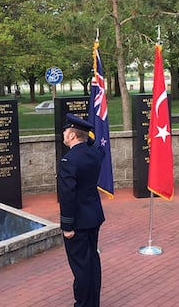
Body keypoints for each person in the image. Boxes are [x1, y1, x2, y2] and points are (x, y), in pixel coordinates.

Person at [58, 113, 105, 307]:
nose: (63, 134)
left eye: (66, 131)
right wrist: (86, 136)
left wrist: (67, 225)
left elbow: (67, 196)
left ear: (72, 136)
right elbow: (97, 147)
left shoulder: (68, 161)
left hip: (77, 221)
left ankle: (84, 304)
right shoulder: (95, 154)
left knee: (81, 266)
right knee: (92, 261)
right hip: (93, 215)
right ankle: (93, 302)